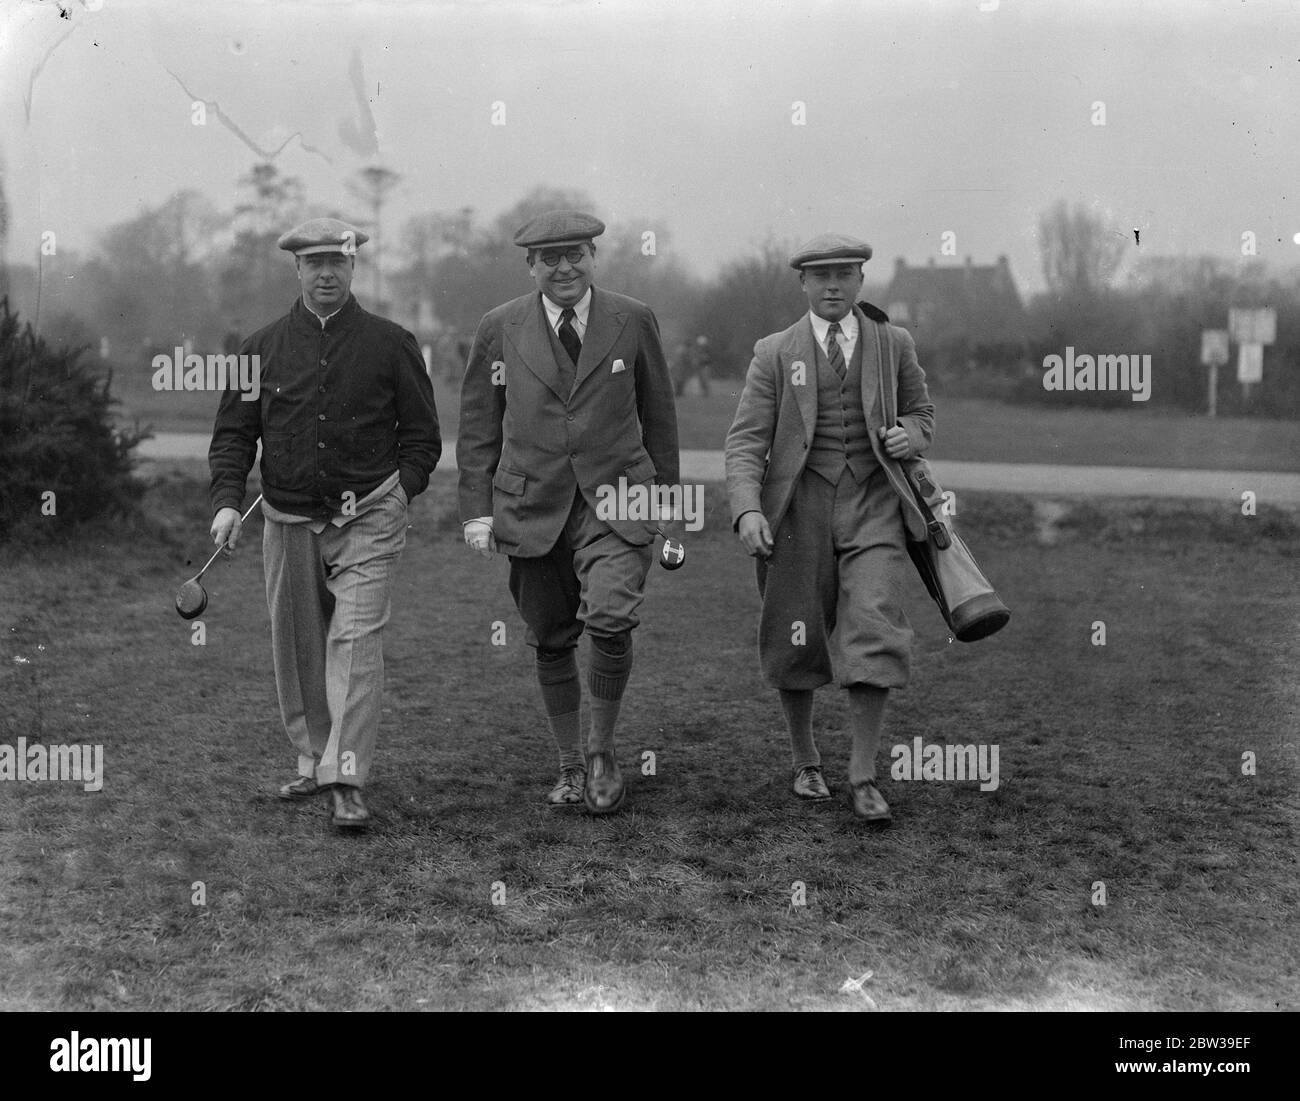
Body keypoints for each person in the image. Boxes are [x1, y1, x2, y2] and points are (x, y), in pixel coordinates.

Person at [208, 217, 441, 830]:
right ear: (298, 270)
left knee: (356, 644)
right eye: (314, 264)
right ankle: (312, 759)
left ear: (354, 267)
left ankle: (346, 778)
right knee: (299, 645)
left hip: (368, 516)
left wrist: (400, 495)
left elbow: (422, 439)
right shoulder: (257, 349)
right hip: (285, 519)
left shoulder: (392, 343)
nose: (327, 273)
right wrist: (229, 501)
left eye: (338, 262)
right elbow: (234, 435)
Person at [457, 209, 679, 814]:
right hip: (531, 503)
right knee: (551, 635)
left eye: (575, 254)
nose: (564, 268)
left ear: (593, 258)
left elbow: (659, 417)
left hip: (619, 499)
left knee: (610, 615)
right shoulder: (498, 327)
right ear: (530, 266)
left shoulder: (631, 319)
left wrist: (670, 506)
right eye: (550, 258)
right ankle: (568, 764)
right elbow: (479, 426)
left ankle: (602, 751)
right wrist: (477, 510)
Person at [724, 233, 935, 824]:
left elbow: (924, 415)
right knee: (796, 633)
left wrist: (909, 437)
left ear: (862, 281)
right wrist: (747, 509)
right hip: (797, 510)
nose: (833, 285)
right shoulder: (774, 352)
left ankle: (864, 775)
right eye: (821, 276)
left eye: (844, 274)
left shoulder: (893, 344)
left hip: (875, 505)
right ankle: (805, 759)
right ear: (803, 283)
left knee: (874, 625)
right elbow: (745, 441)